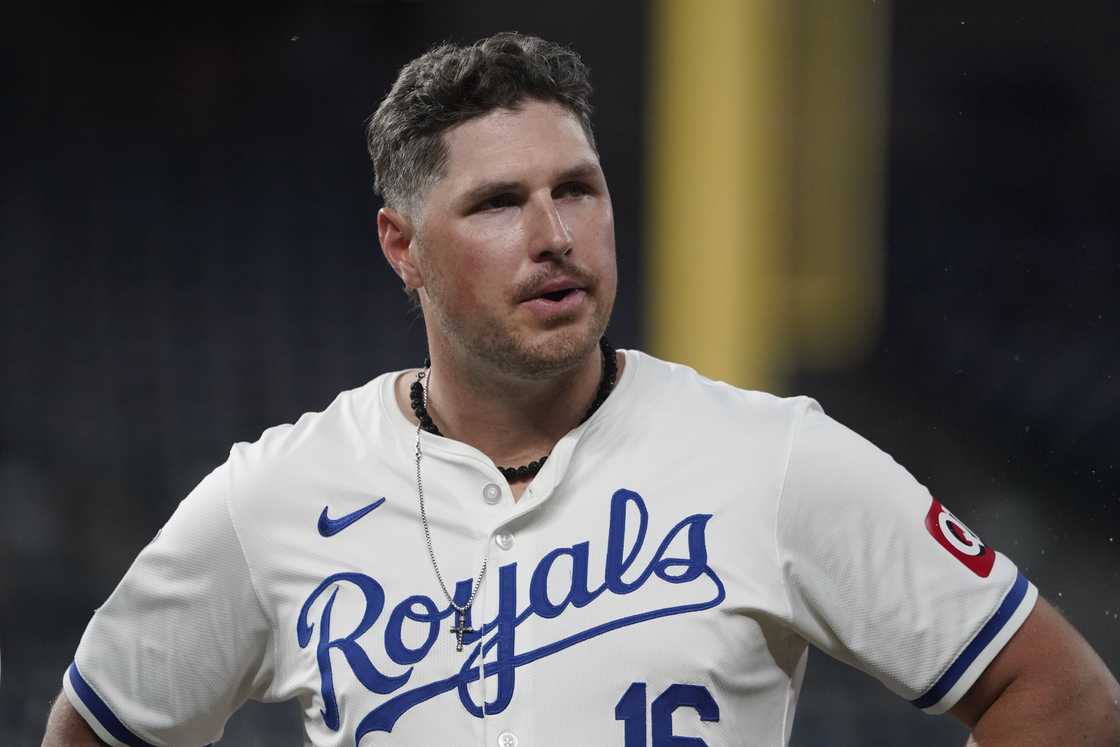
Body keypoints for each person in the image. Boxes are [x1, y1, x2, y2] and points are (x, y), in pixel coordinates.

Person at [43, 31, 1119, 747]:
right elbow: (93, 730)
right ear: (401, 247)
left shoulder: (774, 458)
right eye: (500, 202)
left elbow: (1060, 695)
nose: (555, 236)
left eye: (579, 190)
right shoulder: (273, 497)